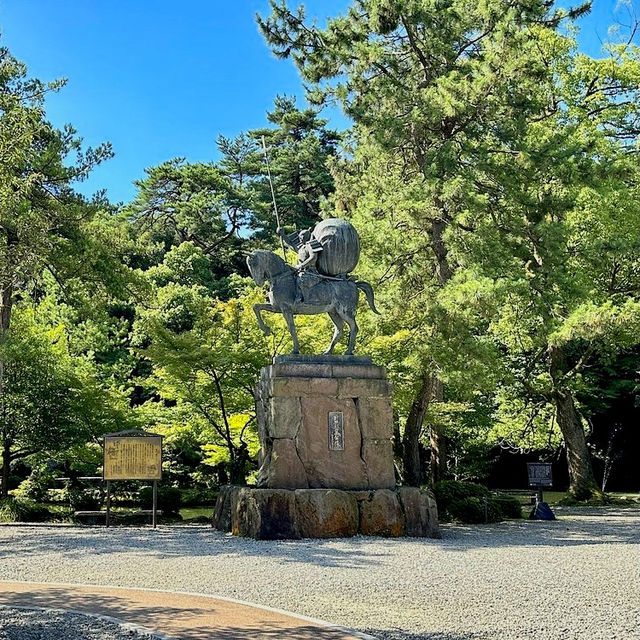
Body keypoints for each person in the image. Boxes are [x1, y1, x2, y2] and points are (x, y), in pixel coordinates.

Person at [278, 226, 323, 303]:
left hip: (311, 273)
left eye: (302, 237)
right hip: (300, 271)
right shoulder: (301, 248)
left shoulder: (311, 245)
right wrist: (282, 234)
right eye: (300, 237)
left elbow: (313, 258)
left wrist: (301, 266)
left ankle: (305, 299)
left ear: (307, 237)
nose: (300, 239)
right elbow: (290, 243)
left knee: (301, 280)